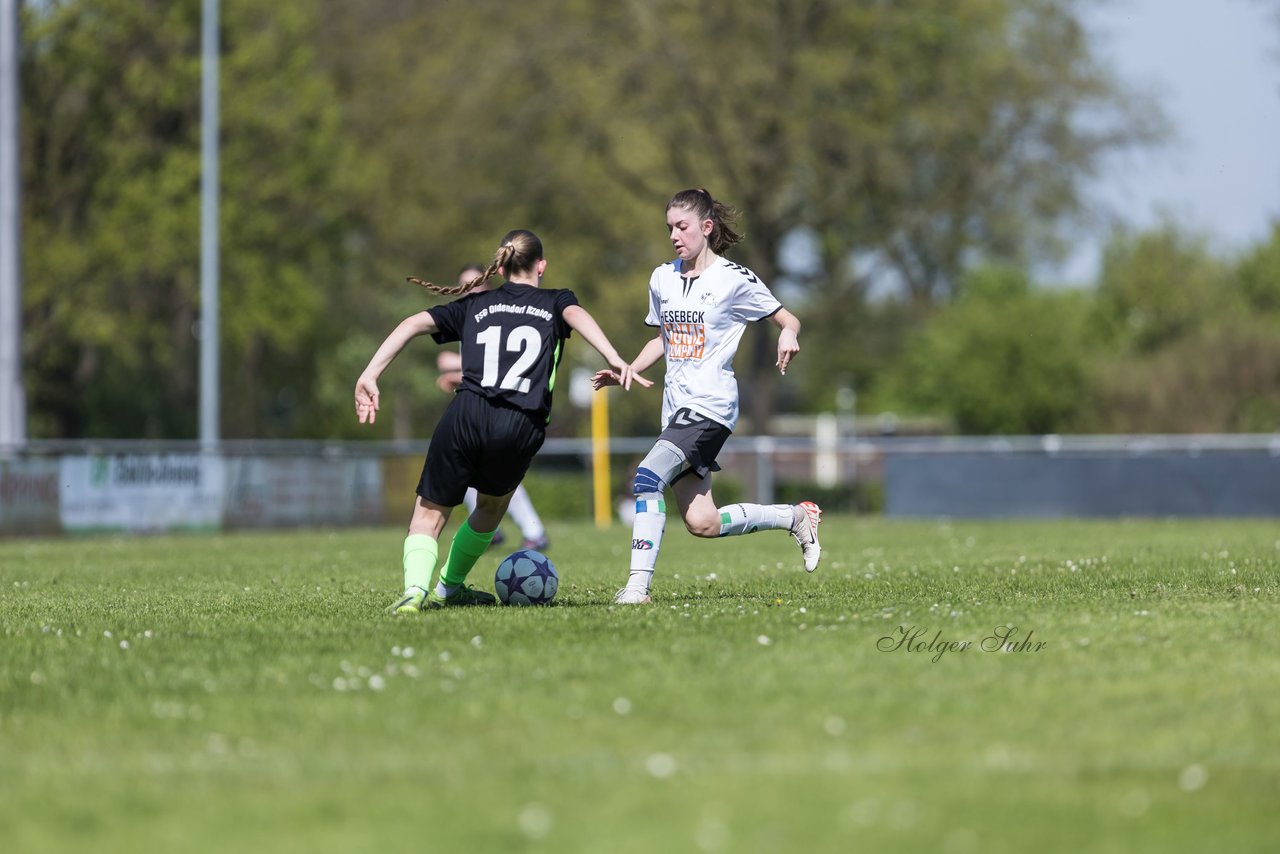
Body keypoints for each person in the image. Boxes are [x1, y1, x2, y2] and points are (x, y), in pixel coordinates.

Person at [355, 230, 645, 614]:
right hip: (520, 423)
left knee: (428, 514)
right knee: (491, 508)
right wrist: (612, 355)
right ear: (541, 265)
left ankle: (414, 591)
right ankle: (448, 588)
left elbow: (410, 324)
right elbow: (575, 315)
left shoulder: (476, 305)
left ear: (502, 266)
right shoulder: (555, 300)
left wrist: (370, 374)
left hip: (466, 414)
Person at [593, 188, 822, 605]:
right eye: (669, 228)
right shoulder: (662, 278)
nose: (674, 235)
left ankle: (637, 589)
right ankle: (795, 517)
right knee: (702, 522)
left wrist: (788, 333)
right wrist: (629, 368)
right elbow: (666, 338)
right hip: (677, 411)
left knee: (645, 479)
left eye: (682, 226)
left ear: (706, 227)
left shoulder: (734, 278)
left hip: (711, 408)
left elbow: (788, 317)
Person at [438, 264, 551, 552]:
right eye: (464, 283)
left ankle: (532, 531)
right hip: (477, 407)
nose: (470, 288)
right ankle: (498, 530)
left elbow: (500, 365)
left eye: (475, 282)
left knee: (494, 476)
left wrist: (457, 371)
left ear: (488, 283)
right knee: (475, 473)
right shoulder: (468, 313)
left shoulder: (494, 312)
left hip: (502, 408)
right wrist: (459, 373)